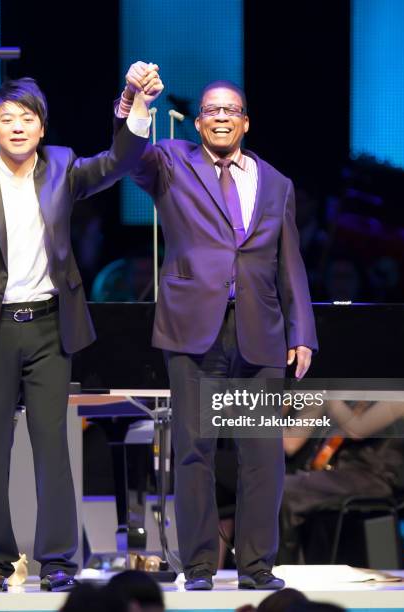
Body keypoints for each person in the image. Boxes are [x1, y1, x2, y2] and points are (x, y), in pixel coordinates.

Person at [0, 73, 162, 592]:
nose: (17, 127)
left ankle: (58, 561)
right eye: (6, 120)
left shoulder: (61, 167)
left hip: (47, 327)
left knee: (52, 446)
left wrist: (138, 108)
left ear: (42, 127)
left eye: (27, 118)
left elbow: (117, 163)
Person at [117, 65, 318, 590]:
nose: (221, 117)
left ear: (246, 122)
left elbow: (288, 260)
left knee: (262, 455)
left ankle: (257, 566)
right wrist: (136, 100)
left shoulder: (276, 182)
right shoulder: (171, 162)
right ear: (199, 122)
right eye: (211, 110)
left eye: (231, 110)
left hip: (261, 332)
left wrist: (302, 332)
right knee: (194, 449)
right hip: (192, 328)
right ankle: (201, 565)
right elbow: (126, 157)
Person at [278, 399, 404, 564]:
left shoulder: (402, 398)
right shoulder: (360, 399)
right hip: (342, 475)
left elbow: (358, 430)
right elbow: (292, 442)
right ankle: (292, 562)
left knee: (283, 489)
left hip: (372, 477)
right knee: (276, 485)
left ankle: (289, 565)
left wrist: (328, 394)